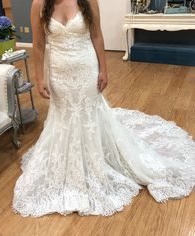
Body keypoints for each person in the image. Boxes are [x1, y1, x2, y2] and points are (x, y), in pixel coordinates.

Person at [12, 0, 195, 217]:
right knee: (64, 117)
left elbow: (97, 35)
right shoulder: (39, 4)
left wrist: (104, 69)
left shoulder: (88, 0)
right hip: (59, 74)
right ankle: (69, 168)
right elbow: (39, 44)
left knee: (89, 116)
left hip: (86, 69)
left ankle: (95, 164)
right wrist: (40, 77)